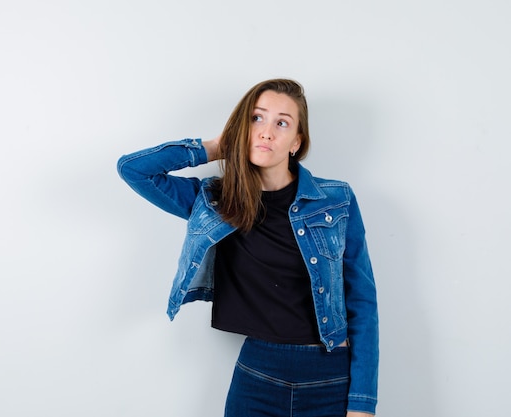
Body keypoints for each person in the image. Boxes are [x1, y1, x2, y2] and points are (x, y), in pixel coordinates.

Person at [117, 79, 379, 417]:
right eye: (257, 118)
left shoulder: (336, 200)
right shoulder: (216, 201)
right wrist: (216, 147)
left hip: (328, 377)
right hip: (258, 375)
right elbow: (133, 169)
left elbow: (362, 300)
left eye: (282, 122)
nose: (267, 132)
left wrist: (362, 402)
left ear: (296, 142)